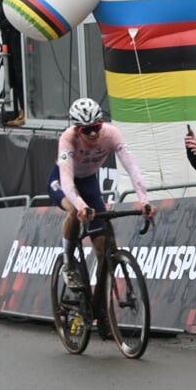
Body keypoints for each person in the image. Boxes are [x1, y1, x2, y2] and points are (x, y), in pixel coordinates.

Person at [50, 97, 156, 324]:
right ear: (77, 130)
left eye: (96, 128)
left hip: (88, 182)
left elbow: (132, 167)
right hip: (63, 183)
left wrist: (144, 200)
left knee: (103, 248)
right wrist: (80, 207)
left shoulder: (111, 134)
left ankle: (100, 308)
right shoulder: (67, 139)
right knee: (73, 213)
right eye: (87, 130)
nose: (93, 135)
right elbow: (67, 182)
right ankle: (68, 263)